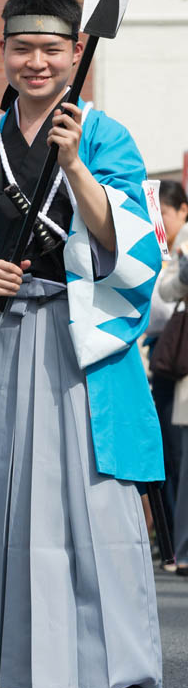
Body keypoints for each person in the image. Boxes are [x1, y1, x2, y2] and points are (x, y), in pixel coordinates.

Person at [0, 0, 163, 688]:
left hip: (79, 340)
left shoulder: (106, 137)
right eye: (21, 47)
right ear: (3, 52)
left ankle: (116, 669)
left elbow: (130, 246)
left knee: (94, 498)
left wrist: (78, 165)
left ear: (76, 51)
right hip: (4, 338)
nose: (35, 62)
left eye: (51, 48)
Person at [154, 180, 188, 576]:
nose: (160, 220)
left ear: (182, 210)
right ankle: (176, 545)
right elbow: (162, 292)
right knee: (174, 458)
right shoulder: (166, 247)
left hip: (176, 362)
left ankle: (178, 546)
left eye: (164, 212)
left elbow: (165, 293)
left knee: (178, 458)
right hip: (168, 358)